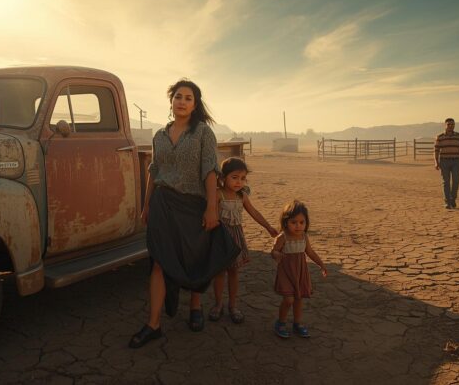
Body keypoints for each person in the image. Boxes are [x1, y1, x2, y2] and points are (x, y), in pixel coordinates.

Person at [129, 79, 241, 349]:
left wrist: (211, 207)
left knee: (195, 258)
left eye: (188, 98)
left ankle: (195, 306)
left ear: (195, 104)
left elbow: (210, 172)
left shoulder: (203, 133)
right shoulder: (159, 136)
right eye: (178, 96)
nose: (182, 101)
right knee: (159, 261)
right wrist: (147, 205)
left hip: (193, 205)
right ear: (171, 101)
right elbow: (154, 172)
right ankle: (153, 323)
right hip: (162, 205)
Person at [209, 157, 278, 324]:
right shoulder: (218, 194)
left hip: (236, 238)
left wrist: (268, 227)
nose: (239, 182)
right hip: (220, 238)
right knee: (219, 273)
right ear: (222, 177)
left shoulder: (242, 196)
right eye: (234, 177)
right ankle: (218, 305)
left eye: (242, 178)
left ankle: (233, 306)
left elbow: (254, 212)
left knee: (234, 272)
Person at [270, 200, 327, 339]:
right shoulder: (283, 237)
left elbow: (310, 252)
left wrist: (321, 264)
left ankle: (297, 323)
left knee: (299, 298)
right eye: (293, 222)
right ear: (285, 222)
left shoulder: (304, 237)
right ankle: (281, 322)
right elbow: (273, 251)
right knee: (289, 299)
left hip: (300, 271)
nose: (298, 226)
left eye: (302, 222)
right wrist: (277, 254)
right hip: (286, 272)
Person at [434, 117, 459, 209]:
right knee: (446, 182)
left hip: (456, 161)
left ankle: (453, 199)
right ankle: (447, 202)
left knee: (456, 180)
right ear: (445, 125)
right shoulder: (440, 137)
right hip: (444, 161)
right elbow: (436, 150)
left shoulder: (458, 136)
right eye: (449, 124)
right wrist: (436, 162)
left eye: (452, 124)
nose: (451, 126)